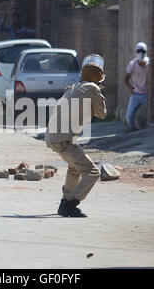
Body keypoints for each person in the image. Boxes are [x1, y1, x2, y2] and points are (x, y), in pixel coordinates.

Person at [45, 54, 107, 218]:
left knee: (75, 167)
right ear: (99, 77)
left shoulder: (74, 86)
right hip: (62, 140)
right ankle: (71, 204)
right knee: (93, 171)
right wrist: (98, 92)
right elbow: (102, 113)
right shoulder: (92, 89)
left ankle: (64, 202)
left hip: (54, 137)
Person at [124, 42, 150, 130]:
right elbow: (126, 79)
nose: (141, 53)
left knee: (152, 114)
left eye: (143, 51)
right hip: (137, 94)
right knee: (129, 116)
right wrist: (130, 88)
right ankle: (132, 130)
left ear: (146, 52)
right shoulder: (132, 64)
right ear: (136, 52)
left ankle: (149, 129)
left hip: (148, 94)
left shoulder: (149, 63)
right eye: (139, 51)